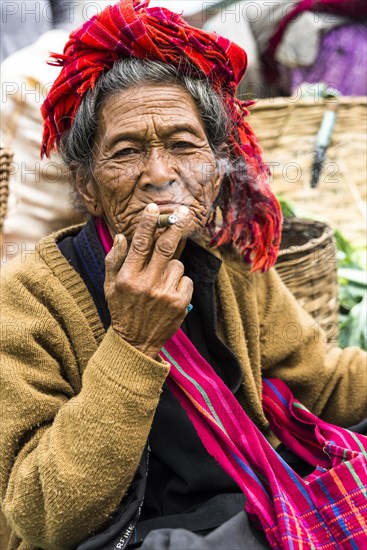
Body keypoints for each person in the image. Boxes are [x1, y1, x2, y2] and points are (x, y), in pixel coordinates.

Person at [0, 1, 366, 549]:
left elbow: (325, 382)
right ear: (87, 186)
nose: (159, 174)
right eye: (125, 152)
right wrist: (132, 341)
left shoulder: (228, 262)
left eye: (182, 145)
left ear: (217, 169)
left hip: (255, 499)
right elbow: (43, 516)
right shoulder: (30, 299)